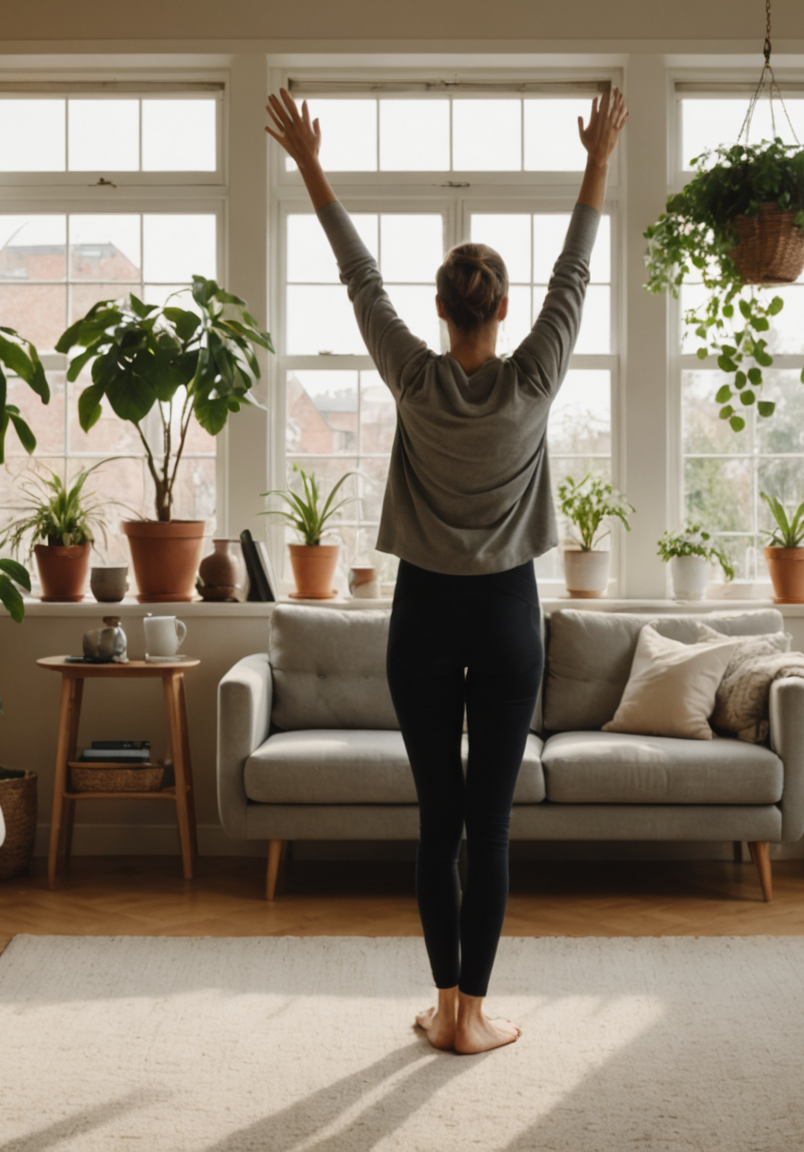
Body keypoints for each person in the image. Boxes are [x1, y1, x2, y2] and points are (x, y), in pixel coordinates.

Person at [264, 86, 627, 1055]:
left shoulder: (415, 378)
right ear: (503, 311)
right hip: (509, 614)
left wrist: (309, 160)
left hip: (422, 612)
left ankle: (443, 1005)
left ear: (440, 309)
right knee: (492, 825)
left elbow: (357, 279)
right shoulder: (535, 376)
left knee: (437, 821)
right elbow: (576, 273)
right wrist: (599, 156)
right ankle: (475, 1016)